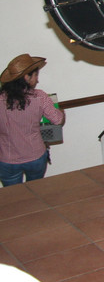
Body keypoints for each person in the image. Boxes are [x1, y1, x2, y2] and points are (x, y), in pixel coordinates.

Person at [0, 54, 64, 186]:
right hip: (35, 156)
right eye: (35, 75)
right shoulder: (40, 97)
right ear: (26, 77)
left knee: (12, 195)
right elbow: (58, 120)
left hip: (6, 158)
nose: (37, 80)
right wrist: (62, 112)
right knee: (34, 191)